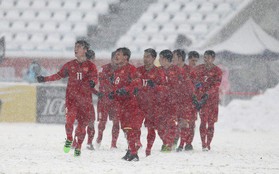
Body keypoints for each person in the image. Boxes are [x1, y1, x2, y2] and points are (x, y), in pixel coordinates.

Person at [37, 40, 98, 157]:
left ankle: (79, 146)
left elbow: (95, 78)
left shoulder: (91, 66)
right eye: (75, 47)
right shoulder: (70, 65)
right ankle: (69, 138)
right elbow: (58, 75)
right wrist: (45, 79)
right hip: (71, 100)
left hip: (85, 102)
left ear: (85, 50)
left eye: (79, 47)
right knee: (69, 122)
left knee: (82, 125)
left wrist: (92, 82)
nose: (75, 49)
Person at [109, 47, 142, 161]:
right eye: (116, 54)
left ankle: (133, 153)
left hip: (131, 104)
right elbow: (116, 87)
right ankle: (131, 150)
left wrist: (126, 90)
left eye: (119, 54)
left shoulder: (131, 69)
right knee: (126, 129)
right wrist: (113, 94)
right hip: (121, 105)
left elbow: (137, 84)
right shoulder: (116, 71)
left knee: (129, 128)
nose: (116, 56)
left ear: (126, 57)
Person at [135, 48, 166, 156]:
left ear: (153, 58)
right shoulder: (138, 70)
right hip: (139, 103)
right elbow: (132, 84)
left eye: (148, 56)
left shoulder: (158, 71)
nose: (145, 58)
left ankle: (148, 149)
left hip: (152, 104)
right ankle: (137, 143)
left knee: (151, 128)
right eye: (144, 56)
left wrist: (156, 86)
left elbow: (164, 87)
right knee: (135, 125)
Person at [191, 50, 222, 151]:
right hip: (202, 100)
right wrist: (197, 90)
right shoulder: (198, 69)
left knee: (211, 123)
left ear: (213, 59)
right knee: (203, 121)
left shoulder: (217, 71)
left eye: (208, 58)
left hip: (212, 100)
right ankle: (203, 144)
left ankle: (209, 143)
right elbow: (193, 80)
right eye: (204, 57)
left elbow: (216, 85)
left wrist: (208, 93)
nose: (205, 59)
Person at [72, 49, 97, 150]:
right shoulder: (90, 69)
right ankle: (88, 143)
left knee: (81, 122)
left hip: (78, 100)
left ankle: (75, 142)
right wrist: (99, 93)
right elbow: (90, 86)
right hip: (85, 101)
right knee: (90, 122)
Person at [95, 51, 120, 149]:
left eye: (119, 59)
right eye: (115, 58)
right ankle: (99, 138)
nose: (117, 61)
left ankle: (113, 144)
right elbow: (98, 81)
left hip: (116, 101)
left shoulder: (123, 70)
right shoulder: (104, 68)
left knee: (116, 122)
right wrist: (100, 92)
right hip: (104, 101)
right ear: (112, 58)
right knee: (102, 123)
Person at [157, 49, 181, 152]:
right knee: (159, 125)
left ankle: (168, 143)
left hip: (173, 103)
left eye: (161, 58)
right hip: (160, 103)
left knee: (171, 124)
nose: (159, 60)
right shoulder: (157, 71)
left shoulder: (177, 71)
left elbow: (182, 86)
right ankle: (166, 141)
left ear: (166, 59)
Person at [172, 49, 196, 152]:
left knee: (185, 122)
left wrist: (195, 97)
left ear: (180, 58)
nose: (173, 59)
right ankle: (174, 141)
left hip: (187, 101)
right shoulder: (171, 70)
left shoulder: (189, 70)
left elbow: (195, 85)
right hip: (174, 101)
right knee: (174, 122)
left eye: (174, 57)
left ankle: (183, 144)